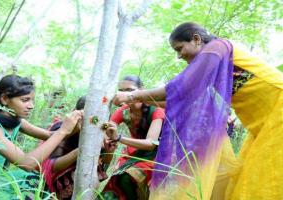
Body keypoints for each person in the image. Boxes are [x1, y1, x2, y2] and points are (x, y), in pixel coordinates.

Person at [113, 22, 283, 200]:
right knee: (248, 182)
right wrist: (138, 98)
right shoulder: (213, 66)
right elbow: (181, 99)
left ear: (196, 39)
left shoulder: (218, 46)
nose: (179, 56)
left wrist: (132, 96)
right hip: (261, 126)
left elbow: (182, 86)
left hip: (278, 113)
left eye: (180, 48)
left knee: (262, 184)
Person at [0, 74, 82, 199]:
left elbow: (49, 135)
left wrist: (75, 127)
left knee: (38, 181)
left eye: (32, 100)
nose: (31, 106)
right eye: (25, 100)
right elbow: (26, 163)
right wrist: (63, 131)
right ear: (4, 99)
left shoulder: (16, 121)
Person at [102, 75, 165, 200]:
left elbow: (150, 144)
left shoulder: (156, 110)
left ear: (142, 90)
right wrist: (105, 128)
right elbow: (107, 126)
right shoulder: (123, 111)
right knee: (116, 181)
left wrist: (119, 138)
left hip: (156, 155)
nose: (125, 94)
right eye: (122, 91)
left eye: (130, 90)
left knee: (126, 178)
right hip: (133, 154)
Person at [41, 96, 113, 200]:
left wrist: (110, 148)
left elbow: (105, 161)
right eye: (91, 117)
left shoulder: (99, 128)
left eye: (97, 119)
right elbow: (53, 166)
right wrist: (82, 150)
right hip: (59, 181)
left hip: (86, 181)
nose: (94, 121)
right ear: (77, 113)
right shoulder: (61, 128)